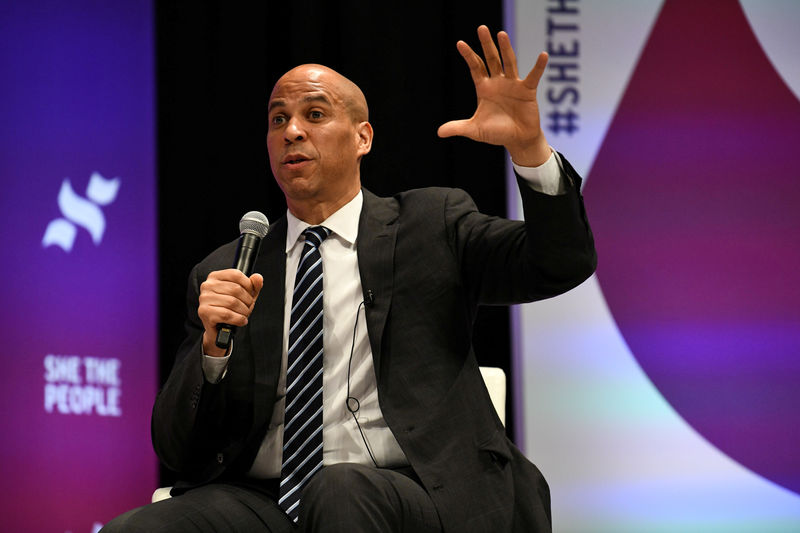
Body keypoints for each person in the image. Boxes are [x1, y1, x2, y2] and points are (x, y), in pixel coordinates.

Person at [102, 25, 595, 532]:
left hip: (416, 490)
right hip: (265, 501)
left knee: (339, 490)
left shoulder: (431, 224)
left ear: (363, 137)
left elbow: (559, 263)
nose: (292, 131)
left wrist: (530, 151)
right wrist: (212, 353)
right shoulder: (230, 269)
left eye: (314, 115)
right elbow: (179, 447)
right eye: (279, 119)